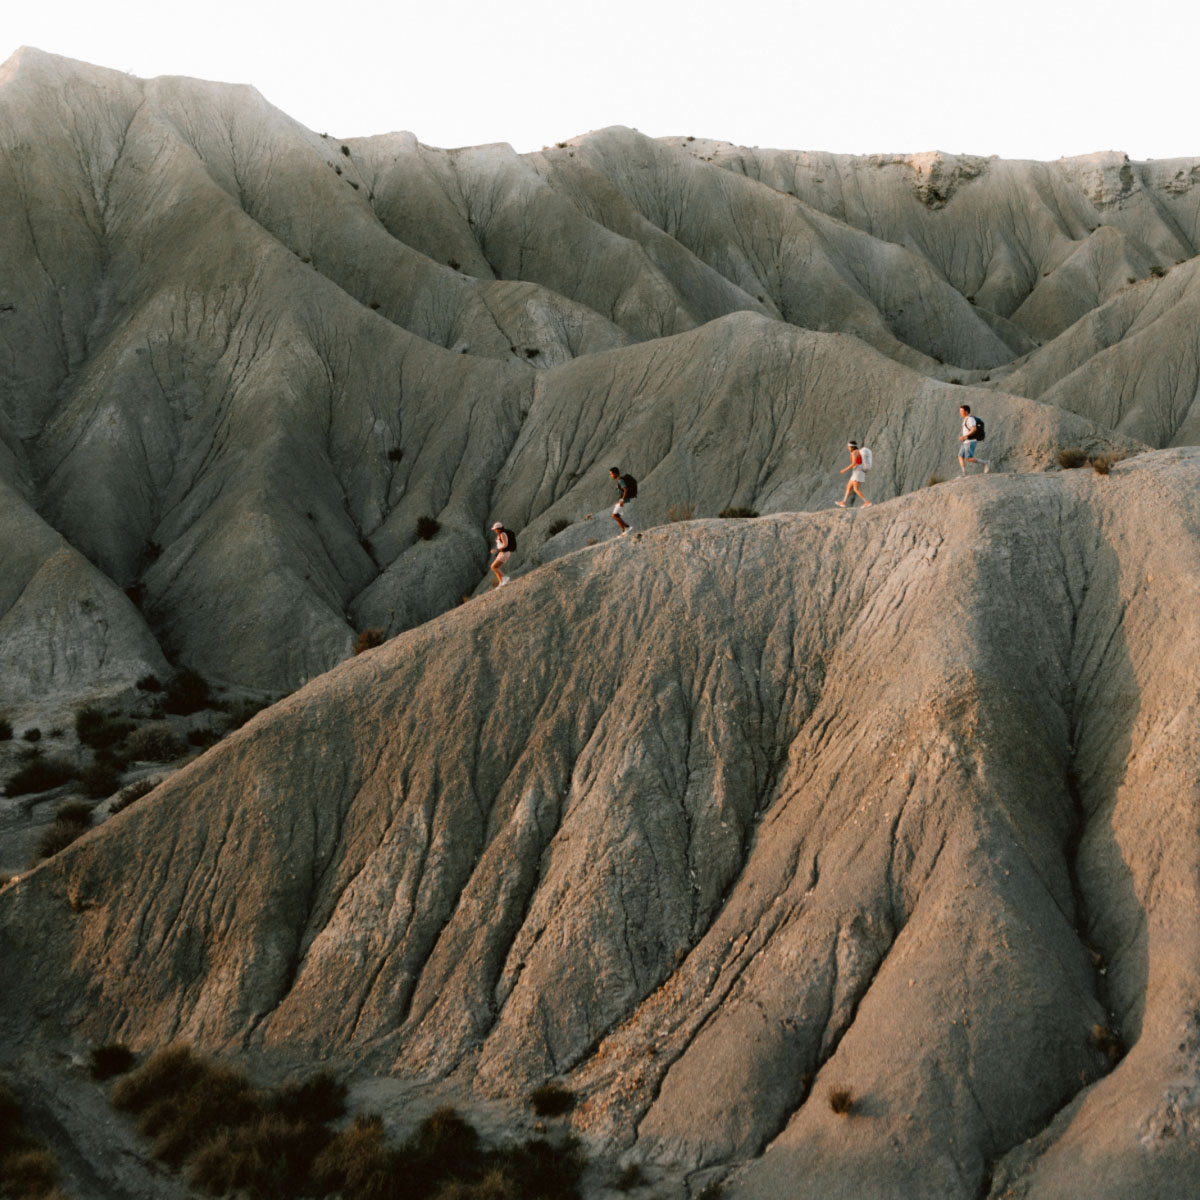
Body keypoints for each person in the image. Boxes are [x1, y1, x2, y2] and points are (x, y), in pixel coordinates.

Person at [836, 442, 871, 508]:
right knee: (848, 486)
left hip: (857, 472)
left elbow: (854, 463)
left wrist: (844, 470)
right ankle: (843, 502)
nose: (848, 448)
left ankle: (867, 502)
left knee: (856, 489)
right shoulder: (859, 451)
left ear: (851, 447)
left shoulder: (854, 452)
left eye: (848, 447)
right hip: (857, 471)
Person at [958, 405, 989, 475]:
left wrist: (965, 436)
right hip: (966, 441)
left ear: (966, 412)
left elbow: (974, 429)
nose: (960, 413)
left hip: (970, 441)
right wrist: (964, 437)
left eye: (961, 411)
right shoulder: (965, 419)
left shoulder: (970, 419)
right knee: (960, 456)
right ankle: (964, 473)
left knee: (968, 458)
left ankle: (985, 462)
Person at [610, 467, 637, 534]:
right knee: (616, 515)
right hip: (622, 499)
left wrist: (622, 500)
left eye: (611, 474)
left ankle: (627, 527)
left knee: (614, 515)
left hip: (624, 500)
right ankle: (624, 530)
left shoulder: (620, 480)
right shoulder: (619, 480)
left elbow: (625, 489)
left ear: (615, 473)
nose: (611, 476)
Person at [489, 521, 515, 586]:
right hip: (501, 553)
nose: (494, 530)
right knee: (495, 567)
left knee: (493, 567)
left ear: (499, 529)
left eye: (495, 529)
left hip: (504, 553)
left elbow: (505, 544)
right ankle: (501, 583)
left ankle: (505, 578)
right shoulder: (500, 535)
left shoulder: (503, 534)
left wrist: (496, 550)